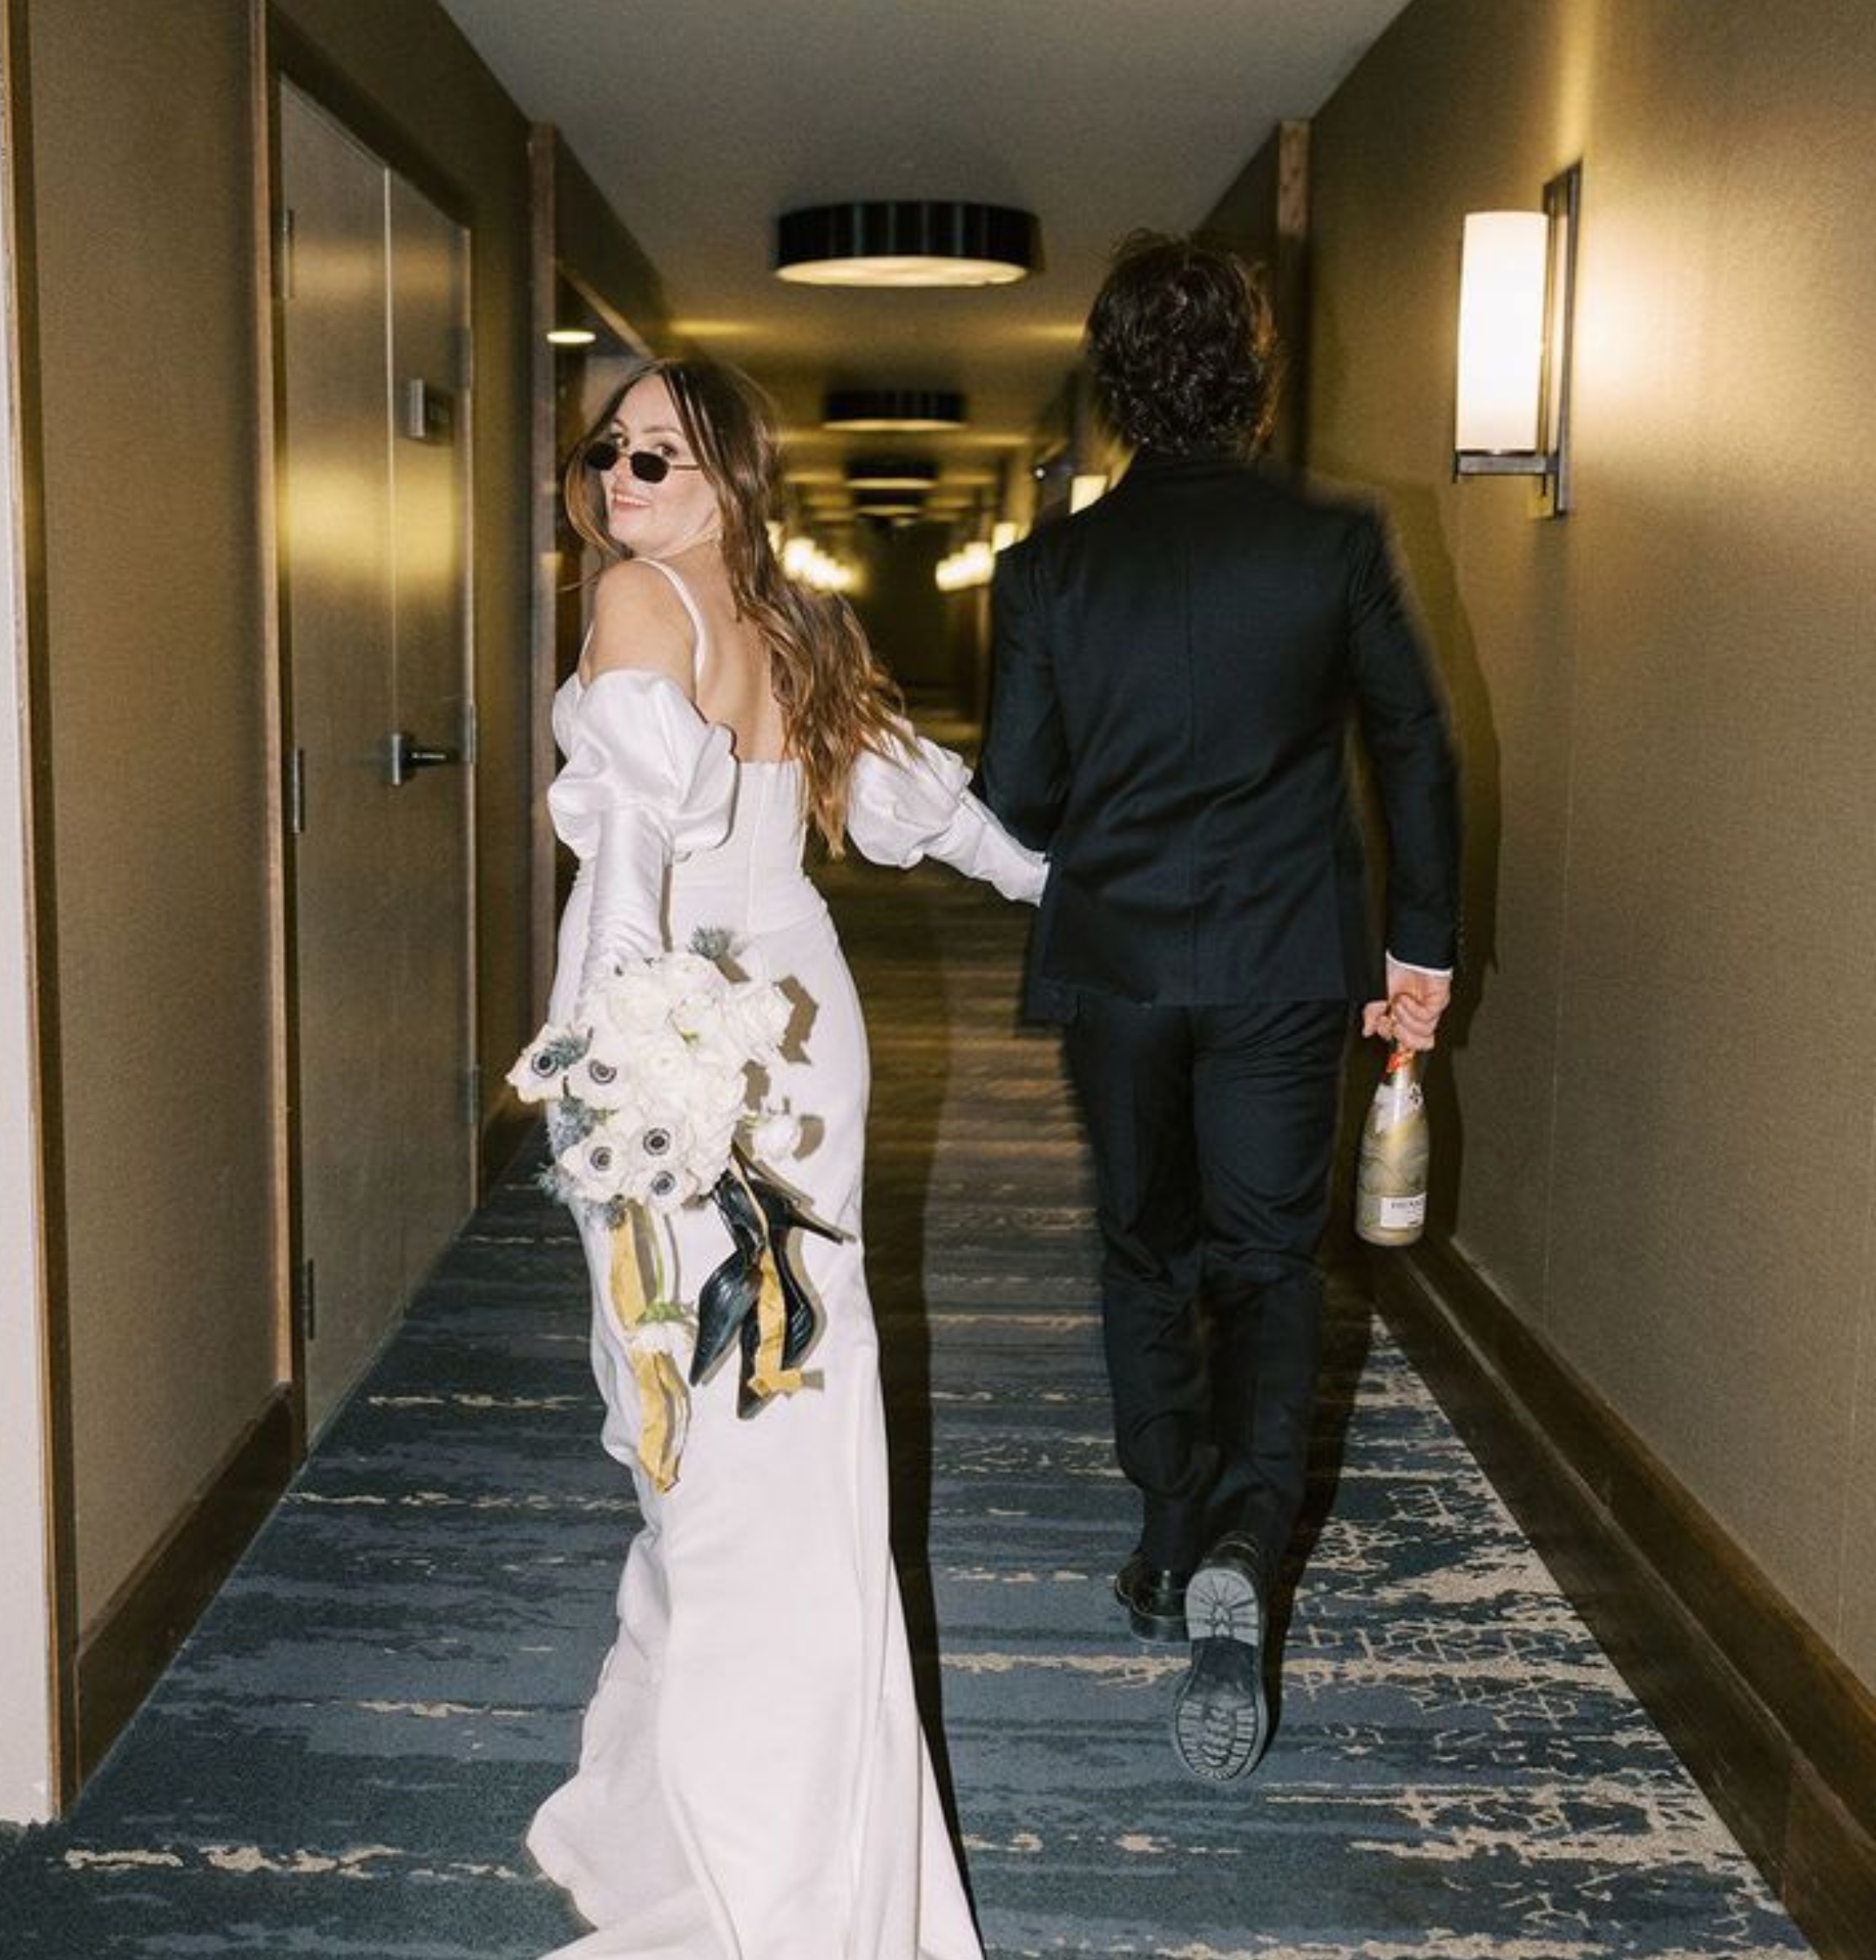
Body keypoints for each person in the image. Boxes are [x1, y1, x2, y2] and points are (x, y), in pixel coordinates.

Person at [523, 356, 1043, 1959]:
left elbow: (628, 848)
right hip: (800, 1021)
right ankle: (751, 1808)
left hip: (689, 1030)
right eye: (609, 450)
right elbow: (935, 821)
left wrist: (615, 1042)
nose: (622, 478)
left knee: (697, 1409)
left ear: (732, 474)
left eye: (660, 456)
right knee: (784, 1416)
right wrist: (1078, 891)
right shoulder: (792, 618)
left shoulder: (636, 602)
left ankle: (754, 1868)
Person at [977, 233, 1460, 1784]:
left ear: (1111, 389)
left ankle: (1168, 1529)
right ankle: (1249, 1536)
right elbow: (1412, 744)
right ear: (1254, 376)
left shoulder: (1048, 571)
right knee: (1265, 1257)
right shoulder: (1332, 542)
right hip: (1284, 960)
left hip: (1118, 966)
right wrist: (1420, 946)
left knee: (1143, 1246)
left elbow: (1019, 796)